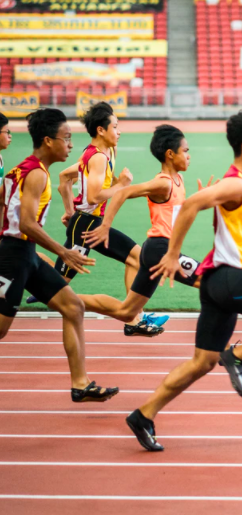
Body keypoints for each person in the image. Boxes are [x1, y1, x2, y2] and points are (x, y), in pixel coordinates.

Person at [126, 110, 242, 452]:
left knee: (203, 362)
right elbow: (190, 206)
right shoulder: (236, 184)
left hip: (218, 285)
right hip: (231, 280)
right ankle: (240, 356)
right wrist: (172, 254)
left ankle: (143, 414)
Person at [0, 109, 118, 402]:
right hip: (12, 259)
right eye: (66, 139)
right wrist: (63, 251)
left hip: (24, 253)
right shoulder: (36, 173)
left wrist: (32, 249)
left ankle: (81, 384)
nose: (70, 145)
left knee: (74, 307)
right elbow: (26, 222)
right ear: (47, 141)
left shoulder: (24, 169)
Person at [38, 102, 163, 335]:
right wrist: (123, 186)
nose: (119, 131)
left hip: (91, 223)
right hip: (85, 226)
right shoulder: (96, 157)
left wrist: (69, 210)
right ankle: (29, 265)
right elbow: (95, 195)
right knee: (57, 286)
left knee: (137, 258)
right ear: (101, 130)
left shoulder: (108, 151)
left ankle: (135, 317)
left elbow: (65, 177)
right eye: (115, 126)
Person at [77, 125, 204, 323]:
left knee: (126, 312)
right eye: (185, 151)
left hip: (154, 250)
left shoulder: (178, 179)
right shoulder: (163, 183)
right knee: (210, 281)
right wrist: (105, 226)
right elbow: (122, 192)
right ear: (170, 154)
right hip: (160, 250)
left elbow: (177, 214)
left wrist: (201, 200)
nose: (189, 156)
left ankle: (61, 298)